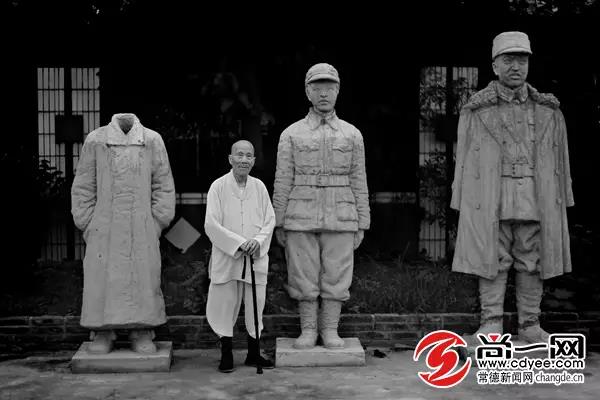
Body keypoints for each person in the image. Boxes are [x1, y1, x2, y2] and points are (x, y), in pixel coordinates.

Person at [451, 32, 574, 344]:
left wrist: (564, 197)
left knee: (533, 259)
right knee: (491, 258)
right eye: (508, 60)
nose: (516, 66)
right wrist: (461, 199)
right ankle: (491, 324)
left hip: (535, 194)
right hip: (491, 193)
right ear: (495, 65)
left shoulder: (549, 110)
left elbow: (561, 160)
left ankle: (530, 324)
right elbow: (462, 160)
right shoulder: (475, 110)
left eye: (522, 60)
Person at [273, 63, 370, 349]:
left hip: (342, 215)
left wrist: (362, 222)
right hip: (299, 215)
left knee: (337, 276)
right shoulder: (291, 134)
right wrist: (279, 221)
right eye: (317, 88)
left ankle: (329, 330)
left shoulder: (352, 134)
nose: (323, 94)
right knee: (302, 275)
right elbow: (282, 180)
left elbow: (359, 179)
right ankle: (307, 330)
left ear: (338, 91)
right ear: (307, 92)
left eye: (329, 88)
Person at [71, 113, 175, 354]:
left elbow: (163, 186)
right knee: (101, 280)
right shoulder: (96, 140)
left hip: (142, 226)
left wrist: (156, 223)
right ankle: (102, 332)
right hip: (104, 227)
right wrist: (89, 223)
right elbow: (83, 186)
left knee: (143, 278)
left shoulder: (152, 140)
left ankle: (142, 330)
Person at [204, 140, 276, 372]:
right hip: (228, 257)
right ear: (231, 158)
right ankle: (226, 354)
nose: (244, 160)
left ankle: (253, 354)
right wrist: (238, 243)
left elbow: (270, 220)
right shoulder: (218, 186)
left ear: (253, 161)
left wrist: (258, 241)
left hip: (255, 257)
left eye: (248, 156)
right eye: (239, 155)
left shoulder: (260, 187)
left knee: (256, 305)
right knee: (225, 305)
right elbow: (211, 224)